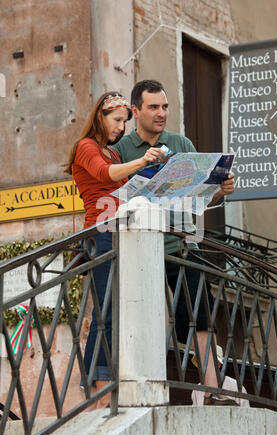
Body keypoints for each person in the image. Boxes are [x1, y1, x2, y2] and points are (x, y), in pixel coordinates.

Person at [112, 80, 235, 405]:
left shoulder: (181, 143)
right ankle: (131, 394)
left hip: (182, 244)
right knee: (132, 317)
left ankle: (212, 389)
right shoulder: (121, 150)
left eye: (165, 106)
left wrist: (218, 190)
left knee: (199, 313)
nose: (161, 113)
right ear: (135, 110)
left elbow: (198, 198)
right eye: (153, 107)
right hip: (137, 247)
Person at [64, 91, 165, 408]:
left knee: (123, 311)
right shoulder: (87, 147)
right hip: (100, 233)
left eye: (125, 122)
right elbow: (104, 175)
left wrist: (154, 174)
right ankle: (99, 390)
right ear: (100, 117)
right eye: (117, 120)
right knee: (104, 313)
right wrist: (142, 161)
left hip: (122, 231)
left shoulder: (113, 154)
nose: (122, 127)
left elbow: (122, 186)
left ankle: (115, 384)